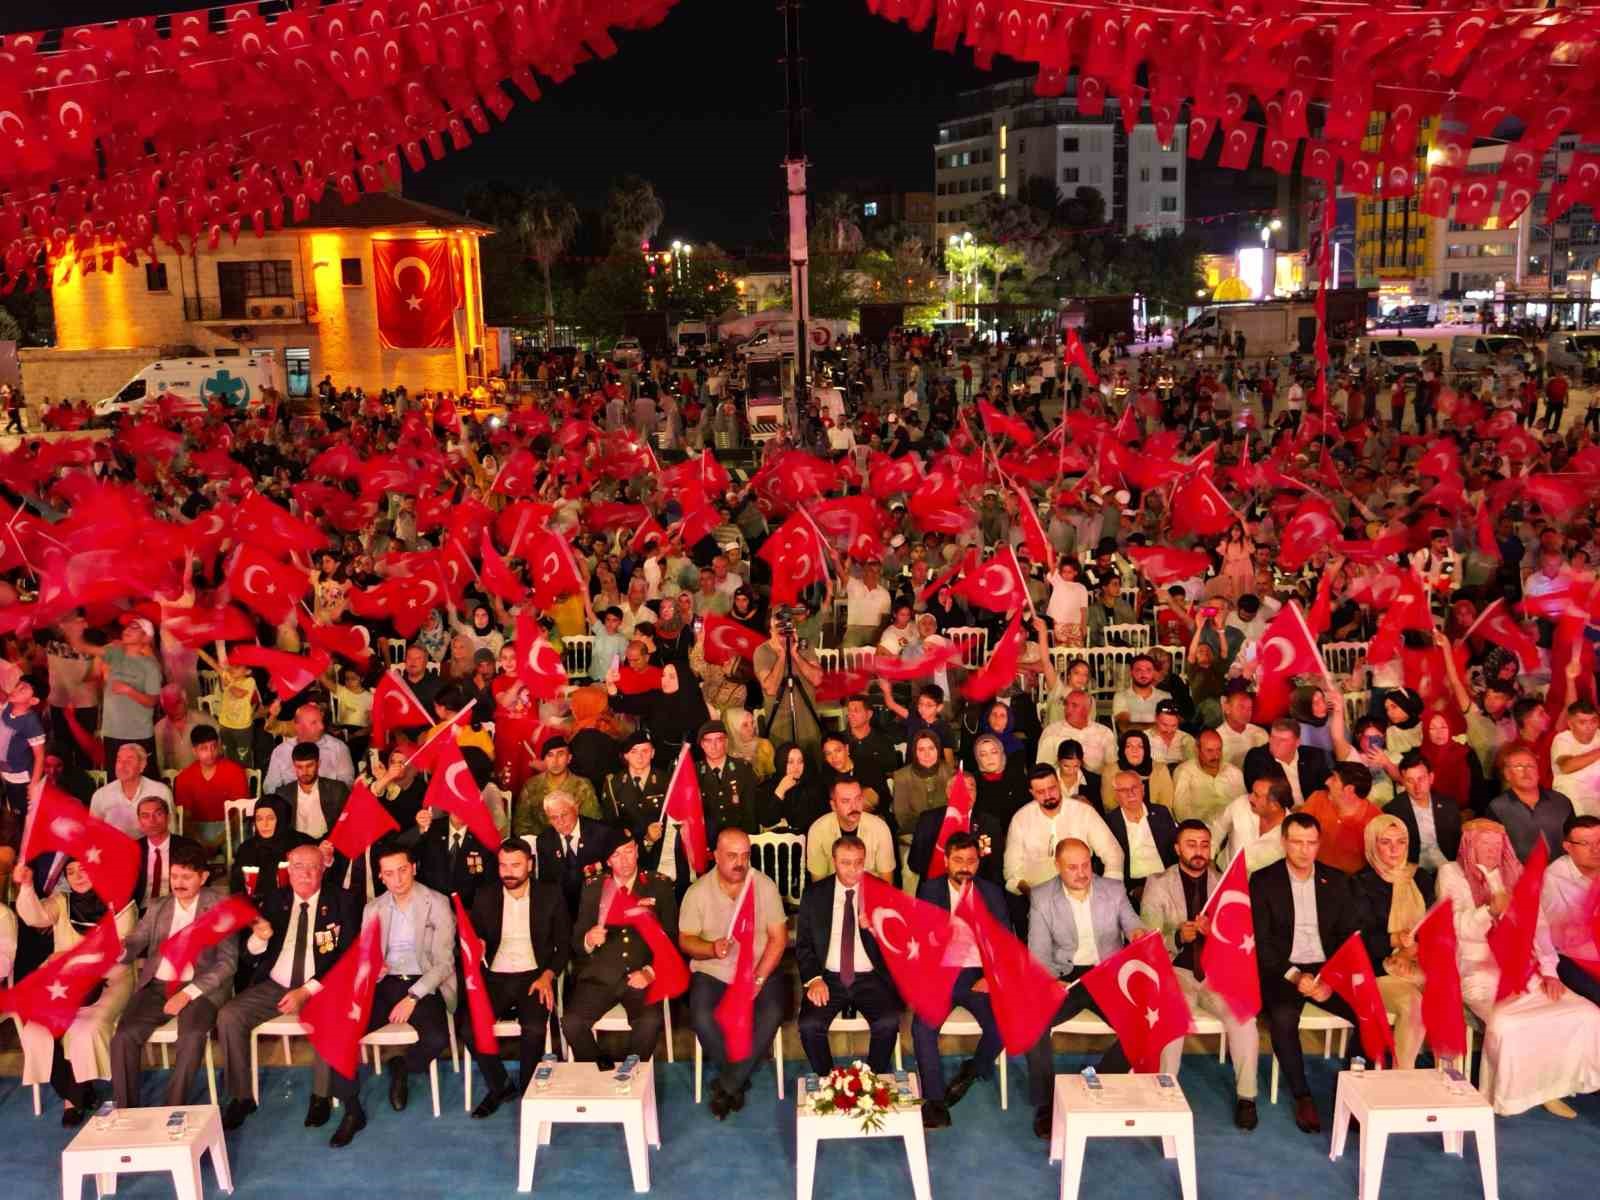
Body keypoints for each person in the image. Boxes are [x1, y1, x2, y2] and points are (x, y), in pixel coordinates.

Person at [1437, 819, 1600, 1116]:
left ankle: (1549, 1086)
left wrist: (1549, 971)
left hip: (1524, 969)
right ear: (1470, 844)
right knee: (1508, 1025)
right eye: (1485, 844)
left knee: (1585, 1013)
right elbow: (1456, 927)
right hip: (1479, 970)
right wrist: (1489, 911)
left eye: (1497, 845)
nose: (1492, 850)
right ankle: (1505, 1096)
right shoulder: (1452, 873)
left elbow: (1538, 927)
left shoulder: (1515, 873)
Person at [217, 842, 363, 1130]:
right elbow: (251, 954)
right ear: (288, 869)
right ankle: (241, 1096)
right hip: (276, 983)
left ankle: (321, 1096)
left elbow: (347, 956)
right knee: (229, 1015)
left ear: (323, 869)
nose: (305, 874)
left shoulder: (342, 900)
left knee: (327, 1016)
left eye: (313, 867)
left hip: (321, 986)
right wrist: (259, 937)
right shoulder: (274, 898)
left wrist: (306, 990)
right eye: (298, 867)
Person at [325, 843, 457, 1147]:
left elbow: (444, 962)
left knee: (436, 1039)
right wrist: (374, 967)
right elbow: (365, 957)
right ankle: (352, 1111)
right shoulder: (373, 908)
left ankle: (402, 1066)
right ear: (381, 877)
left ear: (413, 868)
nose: (397, 879)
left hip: (425, 982)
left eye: (402, 870)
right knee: (340, 1032)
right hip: (384, 983)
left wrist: (413, 997)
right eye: (389, 874)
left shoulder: (435, 902)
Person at [1139, 820, 1260, 1130]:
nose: (1199, 851)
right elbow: (1146, 942)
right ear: (1178, 848)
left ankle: (1247, 1097)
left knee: (1244, 1017)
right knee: (1172, 1013)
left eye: (1205, 844)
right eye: (1191, 844)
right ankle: (1165, 1091)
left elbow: (1240, 939)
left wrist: (1216, 934)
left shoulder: (1225, 884)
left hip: (1216, 975)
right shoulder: (1158, 882)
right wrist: (1178, 937)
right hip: (1175, 971)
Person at [1249, 812, 1365, 1133]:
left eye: (1311, 843)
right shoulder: (1262, 880)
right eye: (1297, 842)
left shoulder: (1337, 880)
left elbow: (1348, 936)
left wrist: (1330, 978)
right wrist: (1295, 976)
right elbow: (1263, 942)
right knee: (1284, 1018)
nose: (1303, 850)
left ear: (1319, 844)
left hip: (1327, 969)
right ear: (1284, 842)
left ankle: (1357, 1089)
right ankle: (1303, 1096)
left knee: (1366, 1009)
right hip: (1283, 970)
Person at [1024, 837, 1144, 1138]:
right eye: (1072, 868)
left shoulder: (1113, 890)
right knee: (1032, 1024)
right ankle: (1046, 1105)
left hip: (1107, 975)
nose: (1081, 873)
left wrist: (1138, 933)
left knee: (1142, 1027)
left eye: (1086, 865)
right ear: (1057, 867)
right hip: (1064, 976)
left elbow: (1132, 923)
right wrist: (1052, 981)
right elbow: (1037, 955)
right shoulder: (1041, 897)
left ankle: (1094, 1084)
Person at [10, 858, 138, 1125]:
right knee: (37, 1031)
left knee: (84, 1028)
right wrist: (26, 887)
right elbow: (35, 917)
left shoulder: (121, 903)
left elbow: (116, 951)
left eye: (84, 869)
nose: (78, 876)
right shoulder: (61, 901)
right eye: (71, 871)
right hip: (62, 985)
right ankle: (76, 1091)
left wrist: (65, 957)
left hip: (108, 981)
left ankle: (76, 1098)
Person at [109, 841, 237, 1109]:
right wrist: (120, 948)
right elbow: (137, 941)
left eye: (187, 877)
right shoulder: (158, 906)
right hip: (157, 985)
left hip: (199, 989)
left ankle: (172, 1109)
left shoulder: (220, 906)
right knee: (123, 1036)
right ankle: (126, 1112)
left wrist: (187, 995)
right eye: (175, 876)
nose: (179, 883)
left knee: (190, 1037)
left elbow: (227, 964)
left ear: (203, 877)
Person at [678, 828, 788, 1120]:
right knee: (701, 1015)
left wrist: (760, 977)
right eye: (732, 856)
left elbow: (779, 938)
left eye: (745, 855)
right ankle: (737, 1077)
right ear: (715, 856)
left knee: (773, 1011)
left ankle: (728, 1084)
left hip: (758, 967)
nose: (740, 862)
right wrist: (711, 948)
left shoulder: (763, 886)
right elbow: (686, 940)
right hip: (714, 970)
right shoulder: (698, 891)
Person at [911, 831, 1007, 1130]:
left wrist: (992, 977)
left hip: (977, 974)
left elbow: (1004, 941)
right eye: (958, 860)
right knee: (922, 1027)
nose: (965, 867)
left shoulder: (991, 892)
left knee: (1003, 1023)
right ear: (946, 860)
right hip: (940, 974)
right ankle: (935, 1100)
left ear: (978, 863)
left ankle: (974, 1069)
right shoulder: (929, 890)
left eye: (971, 861)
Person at [468, 839, 570, 1117]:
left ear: (530, 864)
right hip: (495, 976)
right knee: (468, 1025)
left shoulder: (551, 895)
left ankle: (528, 1092)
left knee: (535, 1028)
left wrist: (548, 975)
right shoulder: (485, 895)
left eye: (515, 865)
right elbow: (470, 939)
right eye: (503, 865)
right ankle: (500, 1086)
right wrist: (476, 945)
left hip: (534, 976)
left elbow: (564, 945)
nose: (508, 872)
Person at [795, 833, 903, 1075]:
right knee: (809, 1025)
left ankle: (871, 1080)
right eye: (846, 863)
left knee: (888, 1022)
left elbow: (900, 944)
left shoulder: (881, 891)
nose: (853, 869)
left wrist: (877, 927)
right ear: (834, 861)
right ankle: (829, 1079)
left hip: (870, 977)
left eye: (859, 862)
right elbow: (803, 945)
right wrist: (814, 979)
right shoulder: (815, 895)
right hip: (829, 977)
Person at [564, 833, 673, 1066]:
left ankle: (631, 1074)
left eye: (629, 851)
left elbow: (671, 941)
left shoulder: (658, 886)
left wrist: (650, 972)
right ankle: (601, 1069)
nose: (624, 860)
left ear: (637, 851)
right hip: (600, 977)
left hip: (640, 976)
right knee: (571, 1023)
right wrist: (588, 939)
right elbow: (576, 941)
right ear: (607, 861)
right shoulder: (594, 888)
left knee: (649, 1022)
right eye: (616, 854)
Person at [1349, 815, 1434, 1070]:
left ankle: (1448, 1077)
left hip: (1418, 962)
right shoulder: (1359, 883)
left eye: (1401, 841)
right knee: (1414, 1005)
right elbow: (1355, 941)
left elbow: (1435, 928)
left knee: (1448, 989)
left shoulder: (1421, 877)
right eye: (1386, 842)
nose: (1395, 849)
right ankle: (1401, 1077)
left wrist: (1413, 950)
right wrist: (1394, 940)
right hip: (1374, 968)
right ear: (1372, 844)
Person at [1004, 763, 1124, 898]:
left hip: (1083, 892)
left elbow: (1113, 853)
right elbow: (1011, 872)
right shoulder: (1021, 819)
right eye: (1041, 792)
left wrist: (1107, 890)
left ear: (1059, 783)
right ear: (1032, 793)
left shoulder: (1083, 812)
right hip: (1036, 894)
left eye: (1052, 788)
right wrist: (1032, 896)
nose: (1048, 795)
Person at [533, 791, 623, 920]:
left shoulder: (601, 833)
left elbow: (614, 874)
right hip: (563, 909)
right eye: (554, 818)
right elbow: (547, 883)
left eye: (564, 814)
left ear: (575, 808)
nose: (561, 822)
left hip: (599, 904)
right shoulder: (544, 841)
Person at [1543, 814, 1600, 1009]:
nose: (1596, 850)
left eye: (1599, 841)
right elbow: (1552, 935)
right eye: (1585, 843)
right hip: (1569, 953)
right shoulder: (1553, 879)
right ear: (1568, 847)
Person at [172, 725, 249, 857]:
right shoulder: (184, 777)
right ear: (194, 751)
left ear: (219, 745)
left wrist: (218, 841)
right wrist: (200, 841)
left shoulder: (235, 771)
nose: (210, 752)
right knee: (187, 853)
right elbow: (185, 818)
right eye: (204, 748)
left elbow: (240, 814)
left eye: (213, 746)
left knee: (241, 850)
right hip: (198, 828)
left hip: (229, 826)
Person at [1104, 769, 1179, 905]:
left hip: (1165, 879)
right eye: (1123, 790)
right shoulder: (1109, 822)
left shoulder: (1161, 813)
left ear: (1143, 789)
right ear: (1116, 795)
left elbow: (1174, 850)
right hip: (1135, 886)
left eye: (1134, 788)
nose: (1130, 793)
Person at [1489, 745, 1575, 861]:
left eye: (1531, 766)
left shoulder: (1560, 801)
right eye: (1518, 767)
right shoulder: (1497, 807)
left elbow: (1574, 841)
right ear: (1507, 774)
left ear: (1538, 772)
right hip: (1518, 874)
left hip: (1560, 873)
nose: (1526, 771)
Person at [1297, 762, 1383, 875]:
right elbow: (1297, 834)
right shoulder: (1317, 798)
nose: (1326, 782)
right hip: (1309, 872)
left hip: (1348, 883)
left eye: (1334, 779)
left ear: (1349, 790)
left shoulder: (1376, 821)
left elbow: (1378, 865)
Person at [806, 777, 895, 882]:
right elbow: (818, 883)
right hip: (834, 894)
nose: (854, 807)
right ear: (833, 806)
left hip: (870, 893)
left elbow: (886, 880)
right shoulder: (818, 830)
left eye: (858, 799)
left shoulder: (880, 828)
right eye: (845, 801)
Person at [1384, 750, 1462, 870]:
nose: (1417, 786)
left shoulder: (1449, 805)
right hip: (1412, 870)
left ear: (1431, 778)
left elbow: (1457, 843)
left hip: (1447, 865)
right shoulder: (1392, 811)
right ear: (1403, 782)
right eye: (1410, 781)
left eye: (1421, 778)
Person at [695, 720, 770, 840]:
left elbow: (749, 811)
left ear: (726, 741)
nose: (713, 746)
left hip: (738, 839)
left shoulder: (743, 769)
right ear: (702, 744)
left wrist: (747, 840)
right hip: (708, 841)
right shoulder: (695, 772)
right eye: (708, 741)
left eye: (718, 740)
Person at [516, 736, 603, 838]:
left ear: (569, 758)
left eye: (560, 754)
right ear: (544, 759)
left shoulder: (582, 786)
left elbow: (592, 822)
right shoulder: (531, 785)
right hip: (539, 846)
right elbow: (521, 825)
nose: (555, 760)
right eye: (550, 755)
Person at [261, 701, 355, 793]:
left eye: (321, 721)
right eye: (314, 723)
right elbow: (270, 787)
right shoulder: (281, 751)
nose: (321, 727)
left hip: (328, 804)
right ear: (298, 726)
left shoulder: (339, 748)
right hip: (290, 805)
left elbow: (347, 785)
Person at [130, 793, 202, 908]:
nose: (152, 820)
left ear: (168, 817)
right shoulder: (132, 849)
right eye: (145, 816)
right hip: (141, 911)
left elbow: (201, 886)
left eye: (158, 814)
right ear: (139, 821)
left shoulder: (189, 847)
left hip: (178, 909)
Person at [272, 739, 350, 844]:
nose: (304, 772)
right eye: (299, 767)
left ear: (318, 764)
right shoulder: (283, 793)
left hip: (329, 845)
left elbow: (348, 824)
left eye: (309, 766)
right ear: (294, 766)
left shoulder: (337, 790)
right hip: (296, 847)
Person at [88, 742, 173, 837]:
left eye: (129, 761)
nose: (122, 766)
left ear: (142, 765)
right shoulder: (101, 795)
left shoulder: (160, 791)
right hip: (115, 849)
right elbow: (93, 833)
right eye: (119, 760)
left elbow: (171, 831)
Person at [1243, 718, 1332, 808]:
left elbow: (1327, 788)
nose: (1275, 744)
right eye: (1273, 737)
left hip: (1313, 811)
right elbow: (1262, 797)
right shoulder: (1257, 758)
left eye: (1283, 740)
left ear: (1297, 742)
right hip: (1281, 814)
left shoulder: (1313, 755)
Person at [1171, 729, 1244, 827]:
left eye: (1219, 749)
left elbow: (1243, 805)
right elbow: (1182, 812)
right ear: (1197, 750)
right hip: (1200, 830)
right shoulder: (1184, 772)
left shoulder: (1234, 772)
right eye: (1210, 751)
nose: (1216, 756)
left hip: (1233, 828)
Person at [1101, 729, 1174, 812]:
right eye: (1129, 746)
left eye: (1140, 746)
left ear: (1146, 750)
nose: (1134, 750)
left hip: (1155, 817)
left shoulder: (1160, 769)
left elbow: (1166, 803)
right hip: (1123, 820)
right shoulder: (1110, 771)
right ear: (1122, 750)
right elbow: (1109, 804)